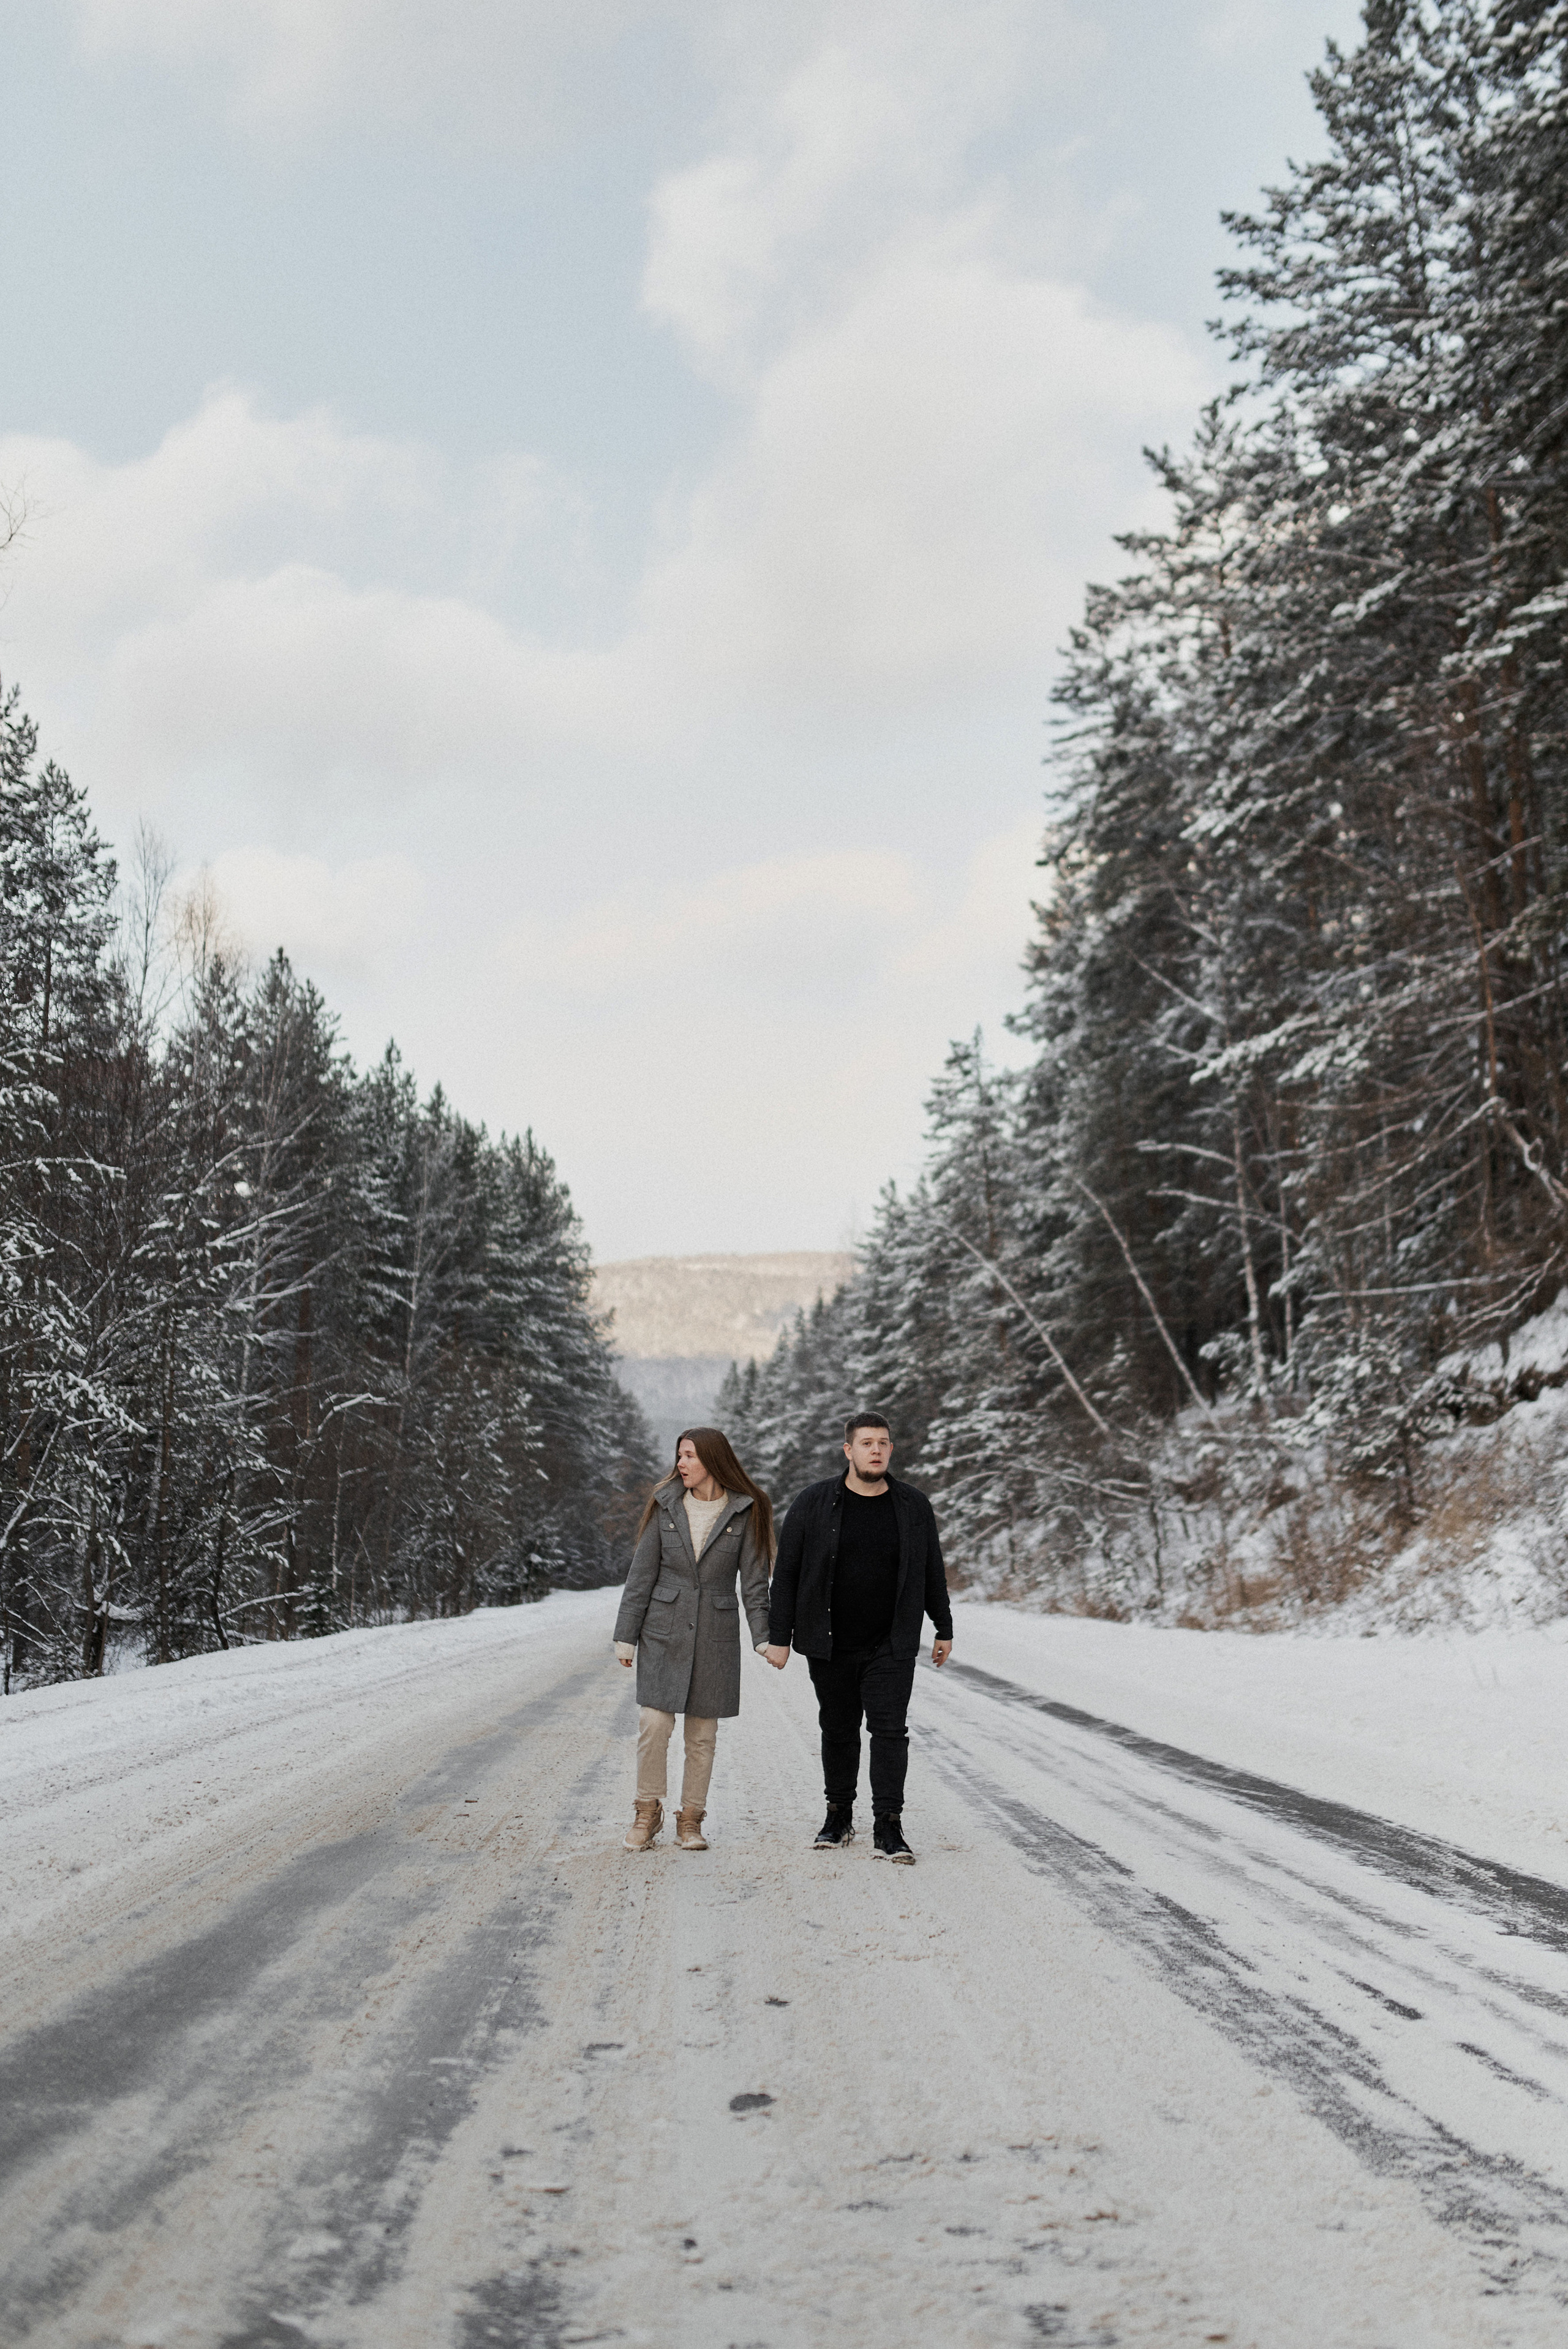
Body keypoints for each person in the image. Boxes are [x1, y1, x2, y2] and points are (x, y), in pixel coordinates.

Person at [763, 1413, 952, 1863]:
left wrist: (943, 1626)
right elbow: (786, 1574)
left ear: (891, 1450)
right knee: (839, 1729)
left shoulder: (912, 1506)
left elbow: (931, 1570)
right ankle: (838, 1816)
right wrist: (779, 1635)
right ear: (848, 1450)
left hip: (891, 1642)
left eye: (883, 1443)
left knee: (890, 1731)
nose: (876, 1450)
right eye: (866, 1443)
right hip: (829, 1641)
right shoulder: (811, 1503)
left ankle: (889, 1825)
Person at [613, 1427, 773, 1853]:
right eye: (679, 1455)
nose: (681, 1464)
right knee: (654, 1723)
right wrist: (626, 1635)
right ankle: (647, 1812)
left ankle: (691, 1819)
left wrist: (763, 1637)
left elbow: (756, 1585)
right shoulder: (665, 1503)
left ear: (713, 1461)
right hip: (663, 1630)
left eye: (689, 1456)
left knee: (702, 1734)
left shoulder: (746, 1511)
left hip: (715, 1635)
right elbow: (641, 1574)